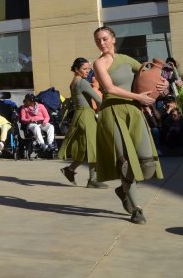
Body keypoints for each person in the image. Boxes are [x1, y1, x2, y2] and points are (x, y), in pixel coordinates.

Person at [92, 26, 164, 225]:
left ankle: (122, 189)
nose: (102, 43)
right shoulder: (98, 63)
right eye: (98, 40)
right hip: (112, 113)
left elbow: (146, 75)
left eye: (105, 38)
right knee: (125, 163)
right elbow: (109, 88)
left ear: (113, 39)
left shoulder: (127, 60)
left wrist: (163, 85)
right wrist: (138, 97)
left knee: (147, 164)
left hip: (133, 112)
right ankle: (136, 208)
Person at [59, 58, 106, 188]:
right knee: (92, 147)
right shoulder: (83, 83)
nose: (88, 71)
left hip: (80, 116)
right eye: (84, 69)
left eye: (89, 69)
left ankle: (70, 170)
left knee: (85, 148)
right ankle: (92, 179)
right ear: (76, 70)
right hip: (86, 116)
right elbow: (99, 100)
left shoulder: (73, 82)